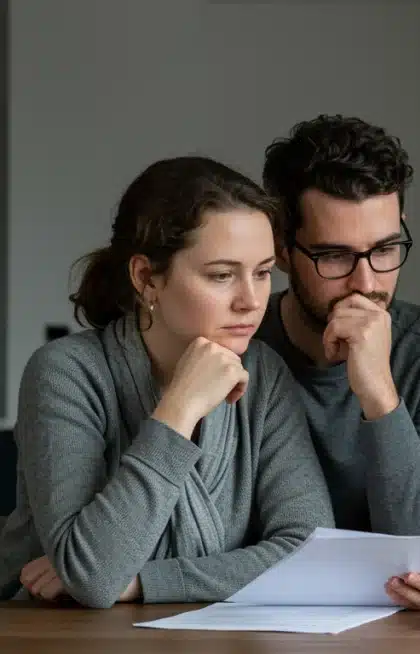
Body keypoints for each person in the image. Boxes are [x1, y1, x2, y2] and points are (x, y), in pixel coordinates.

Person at [0, 156, 335, 607]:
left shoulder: (264, 373)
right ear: (146, 278)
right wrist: (178, 409)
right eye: (221, 275)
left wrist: (143, 582)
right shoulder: (66, 373)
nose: (252, 301)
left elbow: (313, 555)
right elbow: (96, 577)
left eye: (262, 273)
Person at [256, 115, 420, 609]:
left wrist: (378, 392)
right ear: (280, 251)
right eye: (334, 256)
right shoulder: (241, 349)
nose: (365, 283)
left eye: (385, 249)